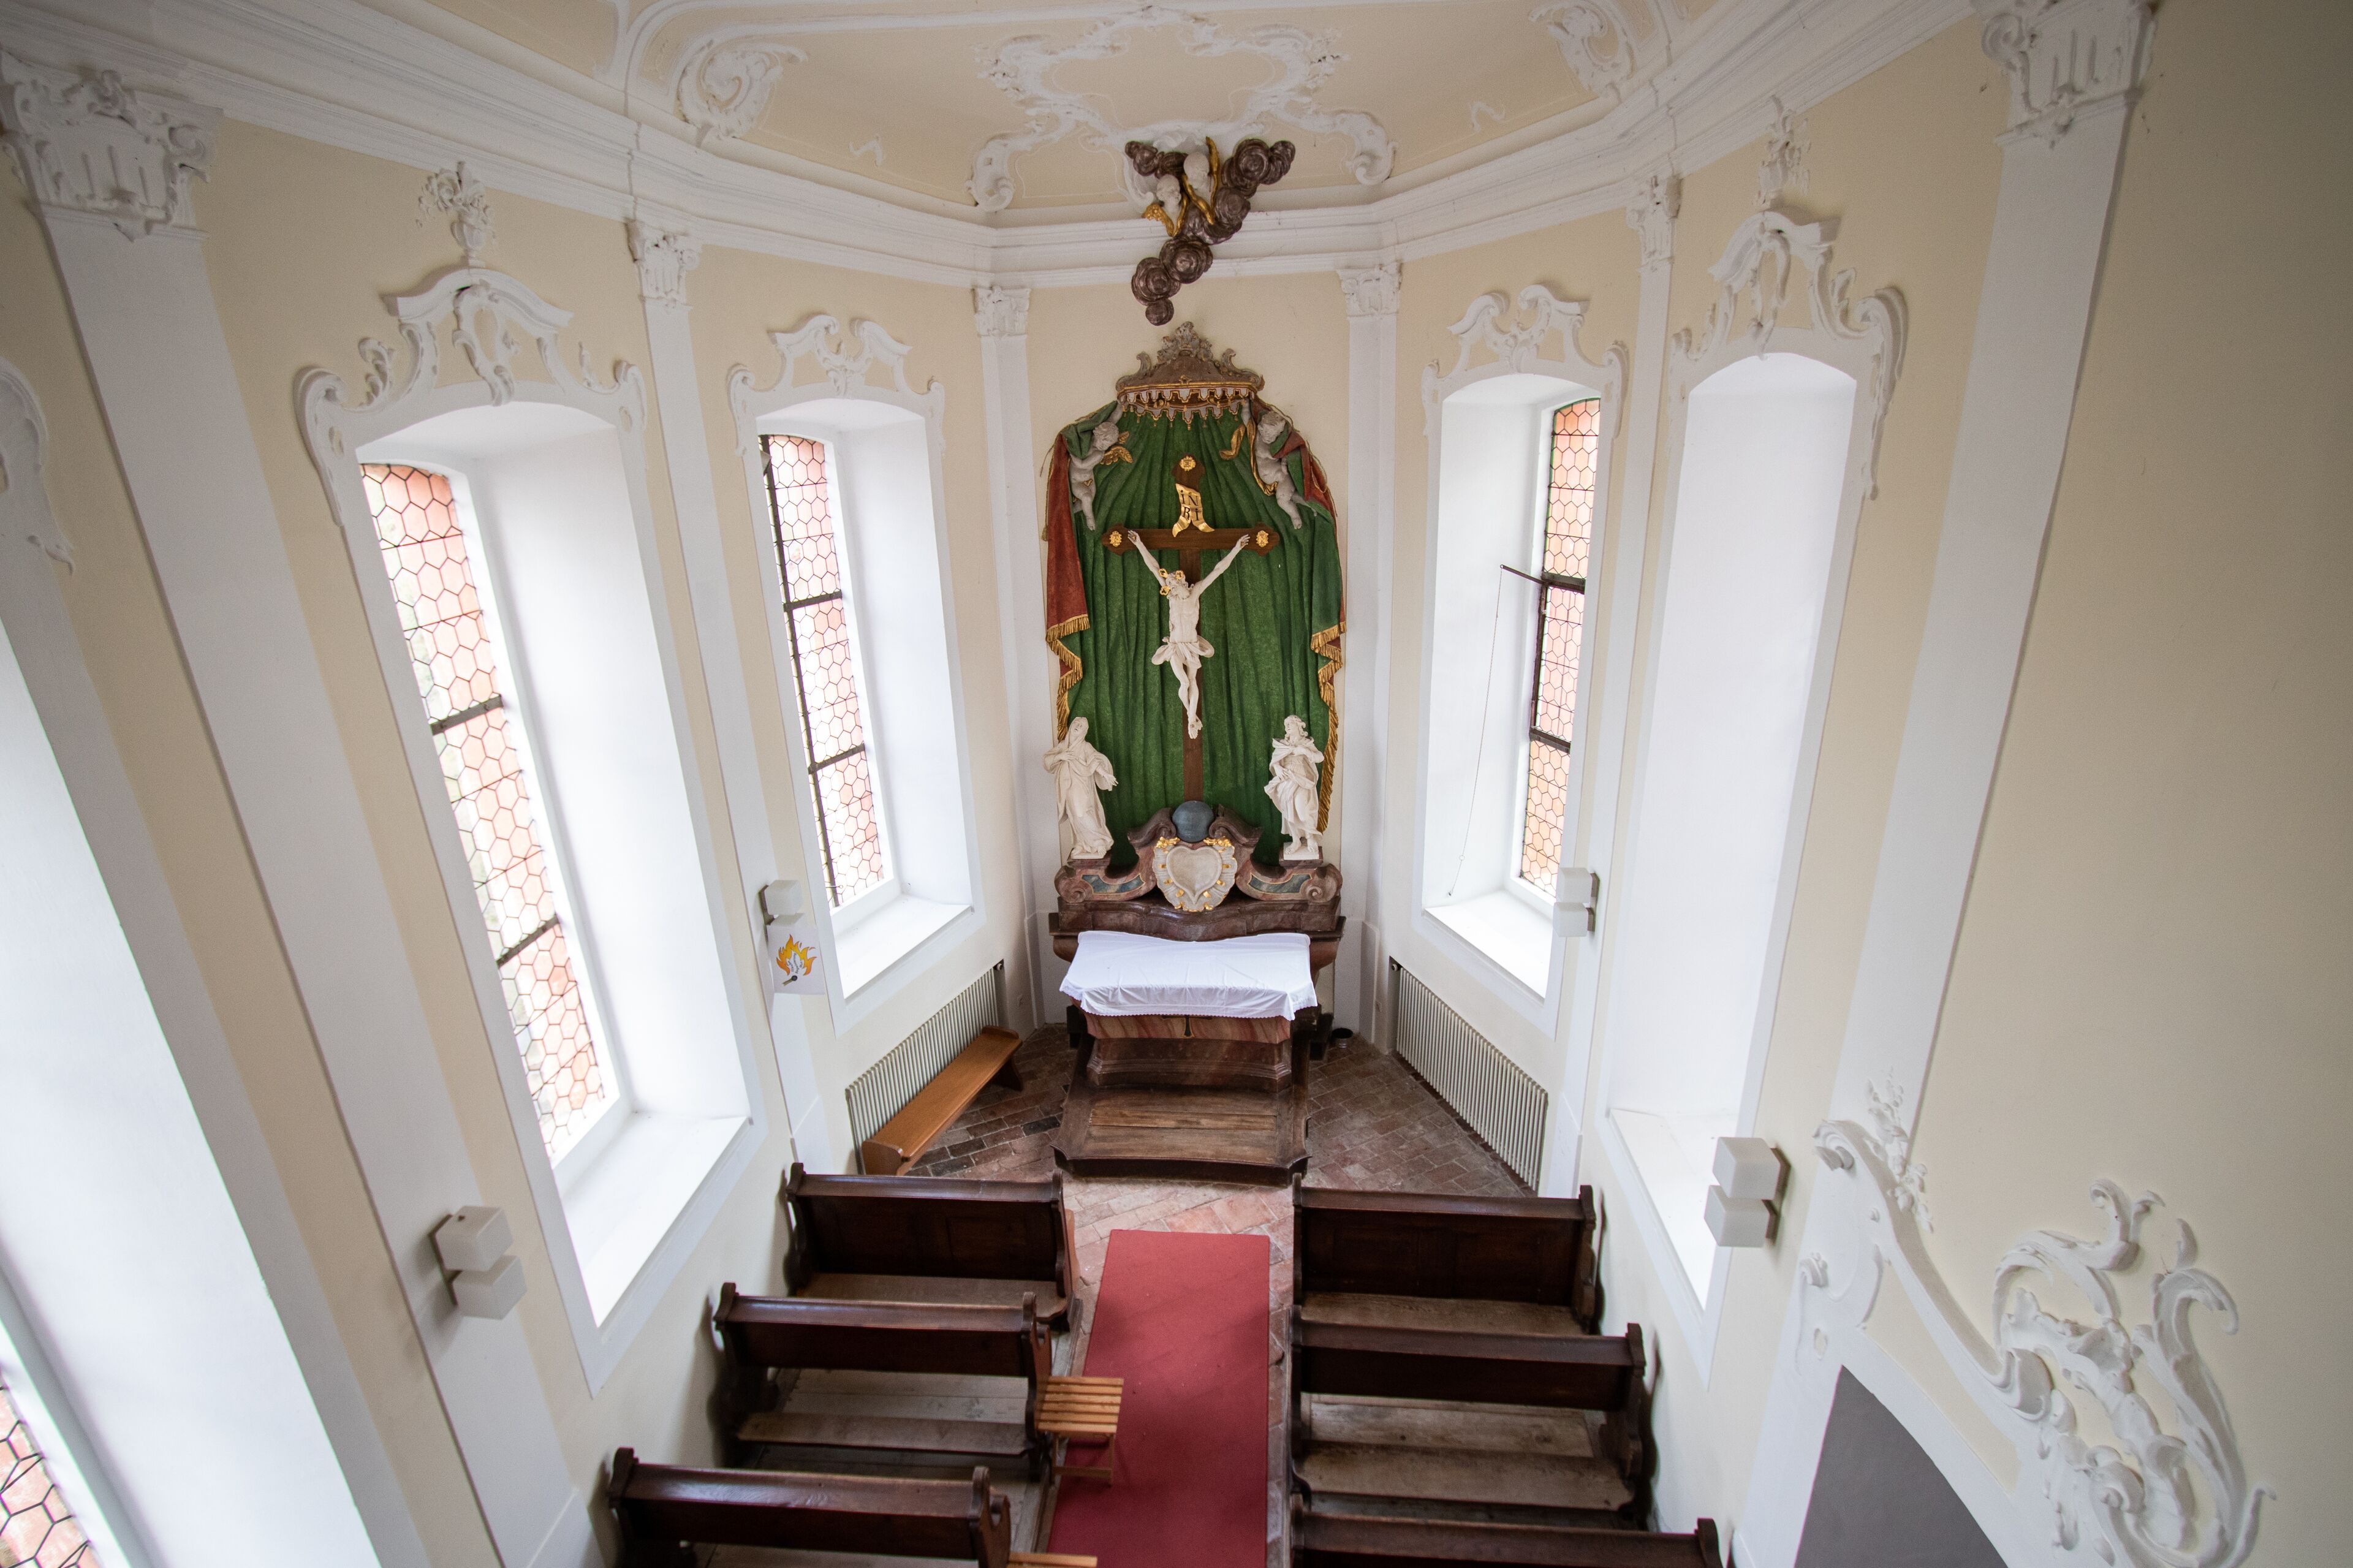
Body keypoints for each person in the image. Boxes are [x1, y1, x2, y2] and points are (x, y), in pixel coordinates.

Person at [1131, 531, 1249, 739]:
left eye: (1172, 584)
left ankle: (1191, 718)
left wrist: (1237, 549)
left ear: (1181, 583)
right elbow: (1153, 568)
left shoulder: (1195, 592)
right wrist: (1140, 545)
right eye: (1169, 585)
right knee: (1184, 683)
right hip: (1176, 646)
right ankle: (1192, 717)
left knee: (1192, 682)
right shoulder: (1171, 598)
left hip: (1192, 645)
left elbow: (1218, 570)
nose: (1170, 587)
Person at [1041, 716, 1118, 860]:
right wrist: (1060, 756)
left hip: (1081, 787)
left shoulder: (1085, 746)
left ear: (1085, 732)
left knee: (1083, 813)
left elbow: (1095, 761)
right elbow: (1047, 760)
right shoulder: (1064, 746)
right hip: (1067, 788)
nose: (1077, 726)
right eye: (1076, 723)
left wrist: (1106, 775)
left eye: (1081, 726)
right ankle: (1082, 844)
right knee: (1074, 816)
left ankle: (1100, 842)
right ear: (1071, 727)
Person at [1264, 714, 1325, 861]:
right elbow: (1275, 761)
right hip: (1285, 780)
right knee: (1288, 812)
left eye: (1291, 724)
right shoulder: (1283, 744)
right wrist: (1277, 768)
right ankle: (1296, 840)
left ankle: (1310, 837)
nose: (1288, 727)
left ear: (1299, 727)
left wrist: (1304, 751)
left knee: (1302, 812)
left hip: (1301, 779)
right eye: (1287, 725)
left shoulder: (1305, 743)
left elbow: (1320, 757)